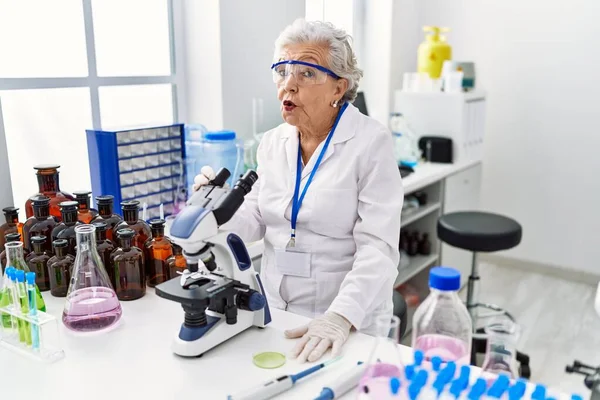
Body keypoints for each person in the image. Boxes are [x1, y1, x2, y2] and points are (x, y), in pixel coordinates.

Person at [193, 19, 403, 363]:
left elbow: (378, 247)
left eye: (306, 73)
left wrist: (341, 317)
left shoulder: (370, 143)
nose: (287, 86)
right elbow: (258, 215)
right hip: (276, 310)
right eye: (282, 71)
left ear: (339, 88)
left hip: (344, 320)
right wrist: (215, 214)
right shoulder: (274, 141)